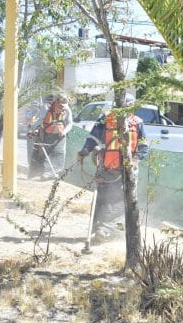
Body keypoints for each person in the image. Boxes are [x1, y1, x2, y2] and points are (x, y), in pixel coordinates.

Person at [77, 103, 149, 242]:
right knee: (102, 198)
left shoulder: (137, 123)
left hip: (127, 171)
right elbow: (93, 138)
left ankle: (106, 230)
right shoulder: (105, 118)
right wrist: (85, 150)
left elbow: (143, 146)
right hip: (106, 167)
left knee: (120, 201)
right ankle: (98, 228)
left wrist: (135, 160)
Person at [29, 94, 73, 179]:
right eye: (60, 106)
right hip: (45, 134)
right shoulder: (46, 108)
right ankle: (37, 173)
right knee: (41, 154)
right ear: (56, 102)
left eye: (63, 106)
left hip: (60, 136)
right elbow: (39, 121)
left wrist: (64, 131)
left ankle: (52, 174)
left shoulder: (67, 110)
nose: (62, 108)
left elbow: (70, 123)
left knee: (59, 153)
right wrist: (34, 130)